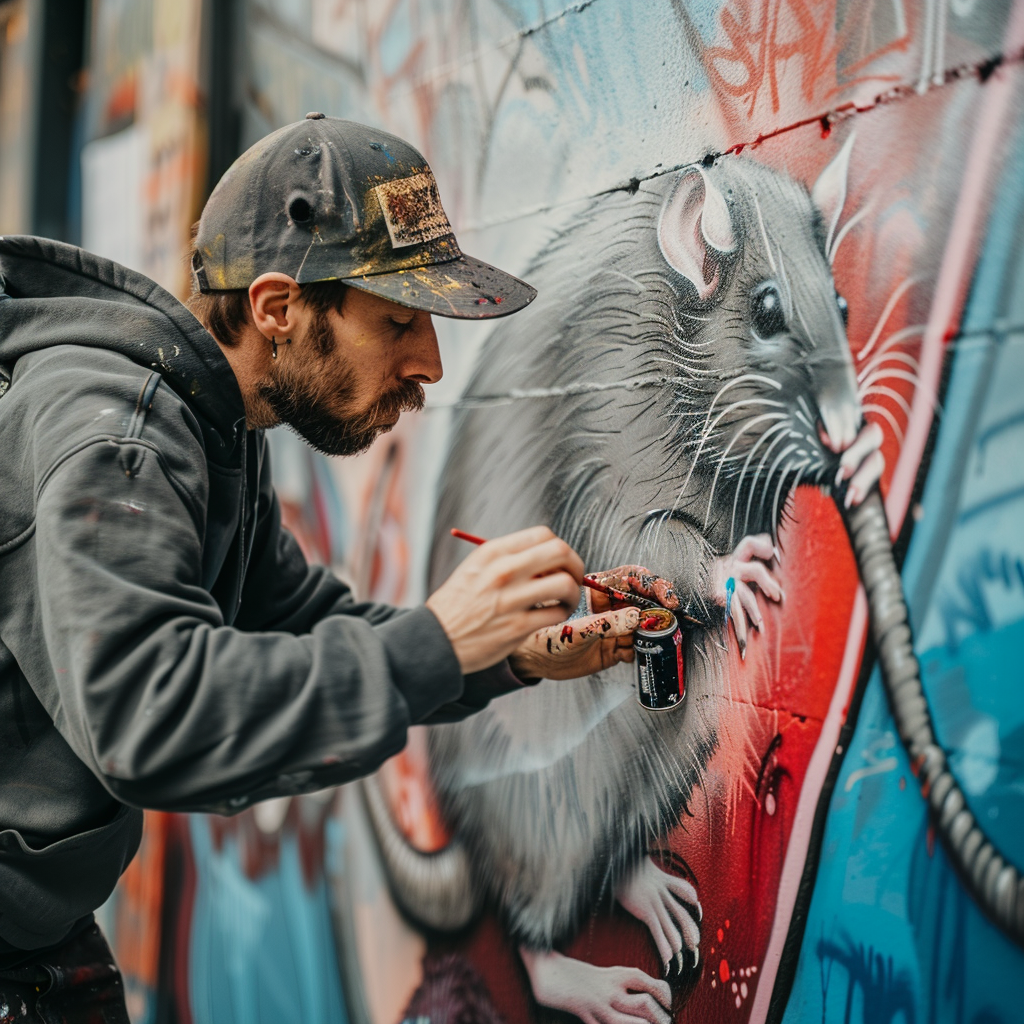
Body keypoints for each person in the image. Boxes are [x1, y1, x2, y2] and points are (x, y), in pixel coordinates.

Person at [0, 115, 643, 1022]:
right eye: (396, 321)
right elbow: (151, 712)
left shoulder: (210, 421)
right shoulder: (123, 433)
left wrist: (509, 655)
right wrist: (437, 642)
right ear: (277, 307)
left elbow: (301, 624)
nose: (428, 364)